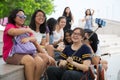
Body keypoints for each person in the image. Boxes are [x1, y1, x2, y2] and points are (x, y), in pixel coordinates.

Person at [2, 9, 49, 80]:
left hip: (26, 52)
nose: (22, 18)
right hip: (11, 54)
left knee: (40, 61)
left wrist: (28, 38)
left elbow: (34, 39)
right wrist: (27, 30)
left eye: (24, 16)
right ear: (14, 17)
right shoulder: (10, 26)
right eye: (20, 16)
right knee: (29, 60)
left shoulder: (25, 27)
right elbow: (12, 32)